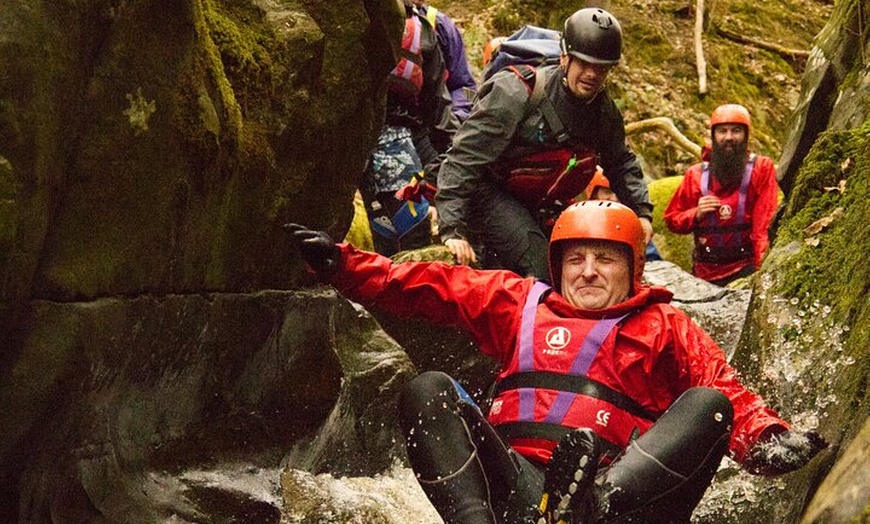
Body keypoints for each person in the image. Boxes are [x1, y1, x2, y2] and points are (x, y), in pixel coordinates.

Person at [285, 201, 826, 524]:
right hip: (517, 491)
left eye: (605, 258)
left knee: (706, 406)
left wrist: (767, 438)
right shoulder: (518, 301)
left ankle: (585, 510)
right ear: (558, 265)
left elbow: (724, 387)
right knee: (428, 389)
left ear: (632, 268)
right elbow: (432, 287)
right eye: (576, 259)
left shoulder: (666, 326)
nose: (588, 271)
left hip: (618, 497)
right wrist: (345, 266)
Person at [434, 7, 654, 280]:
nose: (591, 74)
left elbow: (620, 162)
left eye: (601, 68)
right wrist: (451, 229)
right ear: (565, 58)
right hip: (489, 191)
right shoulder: (516, 92)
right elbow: (463, 158)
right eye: (584, 63)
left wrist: (642, 214)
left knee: (576, 266)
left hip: (545, 201)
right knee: (543, 268)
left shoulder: (603, 110)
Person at [361, 0, 456, 256]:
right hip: (350, 133)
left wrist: (450, 156)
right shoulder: (360, 11)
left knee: (412, 227)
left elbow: (437, 104)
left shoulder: (424, 31)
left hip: (399, 133)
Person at [664, 104, 780, 286]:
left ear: (746, 135)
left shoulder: (761, 169)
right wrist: (695, 214)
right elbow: (672, 219)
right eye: (722, 131)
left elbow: (763, 228)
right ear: (713, 136)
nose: (729, 137)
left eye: (736, 131)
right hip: (705, 272)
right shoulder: (695, 175)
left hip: (746, 268)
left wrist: (762, 274)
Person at [413, 0, 478, 122]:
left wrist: (457, 117)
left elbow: (463, 85)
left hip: (435, 122)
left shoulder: (440, 24)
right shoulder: (378, 19)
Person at [584, 168, 662, 261]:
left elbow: (652, 258)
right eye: (607, 192)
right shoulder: (582, 224)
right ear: (593, 195)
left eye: (619, 193)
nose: (614, 198)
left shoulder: (630, 223)